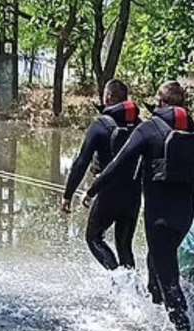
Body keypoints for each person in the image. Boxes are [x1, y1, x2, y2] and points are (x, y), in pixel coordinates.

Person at [85, 81, 194, 331]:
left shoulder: (148, 129)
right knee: (155, 264)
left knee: (168, 280)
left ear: (161, 102)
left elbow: (119, 164)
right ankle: (154, 318)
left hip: (159, 219)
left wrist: (92, 190)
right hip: (184, 218)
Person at [61, 79, 142, 270]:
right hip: (134, 193)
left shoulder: (100, 125)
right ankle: (133, 289)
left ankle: (118, 282)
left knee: (94, 238)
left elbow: (81, 162)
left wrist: (68, 195)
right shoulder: (141, 125)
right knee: (124, 246)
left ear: (108, 97)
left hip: (108, 192)